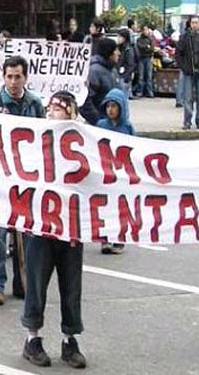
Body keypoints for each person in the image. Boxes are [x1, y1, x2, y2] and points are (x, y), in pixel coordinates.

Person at [21, 91, 86, 369]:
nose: (51, 113)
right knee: (36, 285)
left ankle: (70, 340)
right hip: (40, 227)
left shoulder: (85, 144)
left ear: (71, 113)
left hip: (71, 230)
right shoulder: (37, 139)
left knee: (71, 288)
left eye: (58, 109)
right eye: (49, 108)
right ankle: (32, 339)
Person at [0, 56, 45, 305]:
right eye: (9, 76)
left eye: (18, 76)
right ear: (3, 77)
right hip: (0, 179)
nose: (13, 81)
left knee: (28, 236)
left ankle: (23, 282)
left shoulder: (35, 104)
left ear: (25, 77)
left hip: (26, 179)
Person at [96, 88, 135, 254]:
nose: (110, 110)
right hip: (106, 173)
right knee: (105, 208)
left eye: (114, 106)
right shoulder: (101, 125)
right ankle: (105, 239)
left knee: (120, 208)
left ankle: (119, 239)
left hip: (121, 174)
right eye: (108, 106)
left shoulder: (127, 127)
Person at [177, 15, 199, 130]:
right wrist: (184, 67)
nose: (194, 25)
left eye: (196, 22)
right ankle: (187, 122)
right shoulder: (185, 37)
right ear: (190, 24)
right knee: (187, 98)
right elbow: (178, 54)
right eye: (193, 23)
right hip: (188, 71)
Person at [79, 38, 120, 125]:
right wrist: (99, 121)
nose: (119, 53)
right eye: (116, 50)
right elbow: (86, 102)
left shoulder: (112, 70)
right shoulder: (94, 72)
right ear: (109, 53)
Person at [135, 25, 155, 98]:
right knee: (141, 76)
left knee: (149, 76)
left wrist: (147, 47)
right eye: (145, 30)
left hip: (148, 58)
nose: (146, 31)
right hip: (141, 59)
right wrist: (147, 47)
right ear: (142, 31)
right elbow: (140, 47)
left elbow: (152, 48)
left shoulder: (150, 39)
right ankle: (140, 92)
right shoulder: (139, 39)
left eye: (147, 30)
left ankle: (149, 92)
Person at [117, 29, 136, 101]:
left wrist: (127, 77)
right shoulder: (119, 48)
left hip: (124, 76)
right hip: (119, 75)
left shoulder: (128, 49)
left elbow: (131, 64)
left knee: (124, 99)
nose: (118, 38)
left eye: (119, 37)